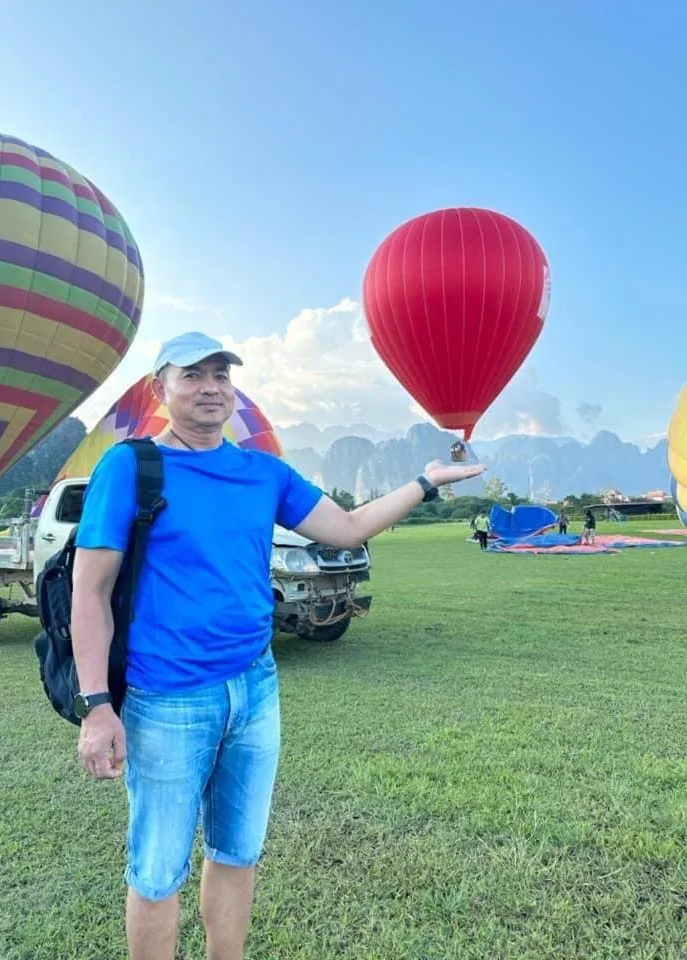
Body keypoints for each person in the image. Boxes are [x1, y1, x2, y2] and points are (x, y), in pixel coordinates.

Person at [71, 331, 486, 960]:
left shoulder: (261, 472)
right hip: (167, 699)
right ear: (161, 388)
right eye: (193, 375)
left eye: (222, 375)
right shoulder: (130, 468)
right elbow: (90, 591)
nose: (211, 386)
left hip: (256, 687)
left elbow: (346, 529)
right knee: (157, 869)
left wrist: (424, 483)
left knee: (238, 851)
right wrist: (97, 706)